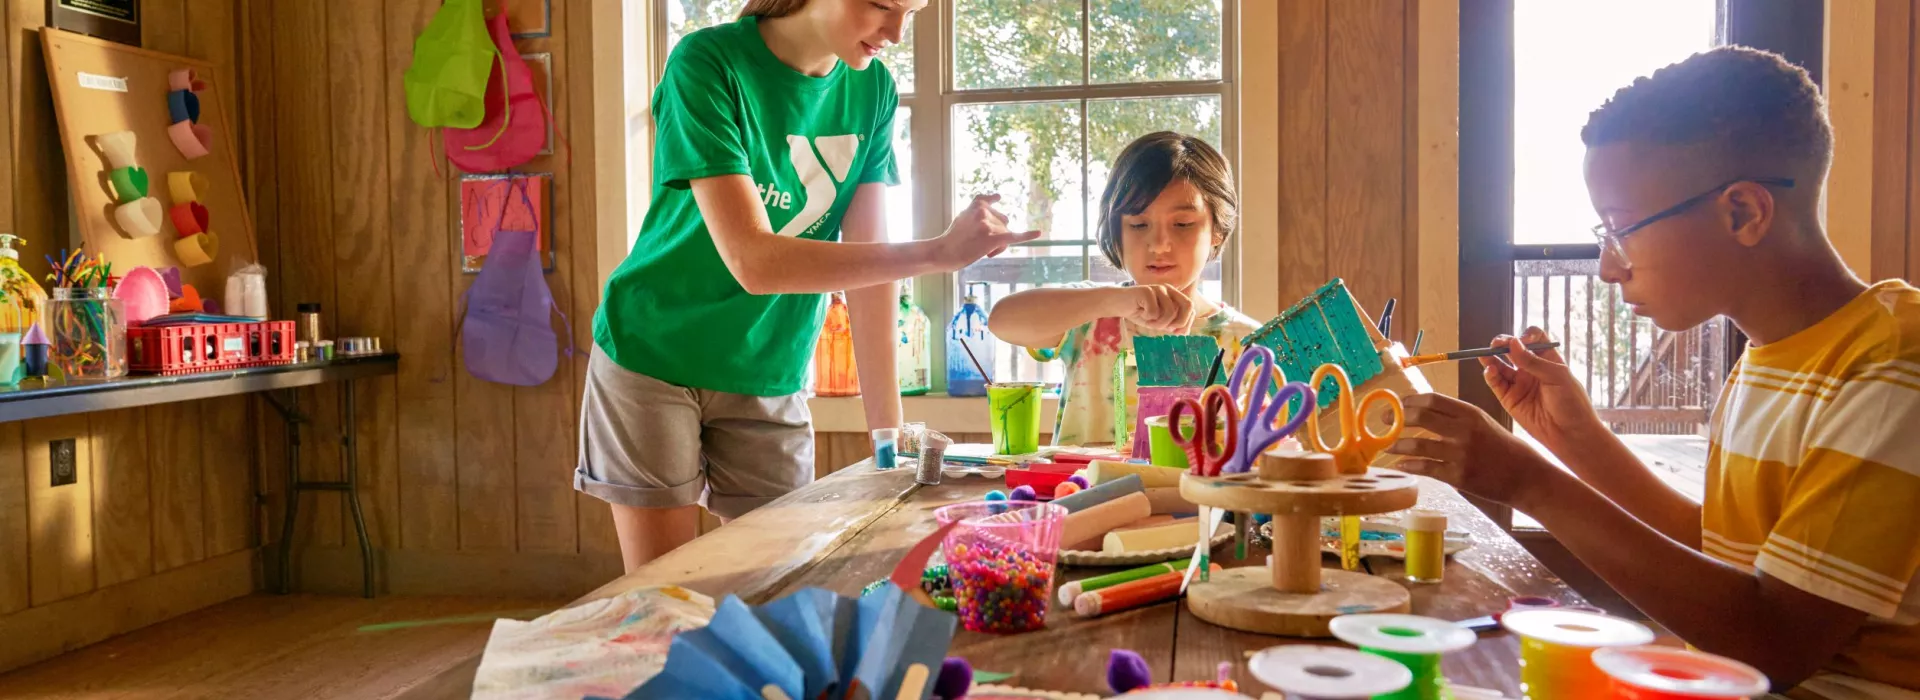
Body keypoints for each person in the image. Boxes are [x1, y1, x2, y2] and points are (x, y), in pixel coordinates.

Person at [1386, 47, 1920, 696]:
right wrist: (1570, 438)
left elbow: (1774, 638)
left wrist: (1525, 479)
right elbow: (1719, 551)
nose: (1609, 267)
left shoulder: (1891, 364)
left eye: (1621, 230)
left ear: (1742, 213)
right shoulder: (1774, 353)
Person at [578, 0, 1040, 572]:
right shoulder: (708, 62)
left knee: (776, 587)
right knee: (663, 597)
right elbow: (754, 261)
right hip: (653, 354)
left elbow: (872, 279)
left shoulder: (873, 91)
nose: (896, 31)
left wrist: (886, 443)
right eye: (882, 6)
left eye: (912, 11)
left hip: (771, 368)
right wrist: (939, 254)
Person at [989, 132, 1259, 447]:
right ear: (1116, 230)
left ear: (1217, 229)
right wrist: (1114, 301)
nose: (1159, 245)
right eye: (1138, 225)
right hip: (1085, 496)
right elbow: (1001, 320)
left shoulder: (1247, 345)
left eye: (1183, 224)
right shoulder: (1091, 317)